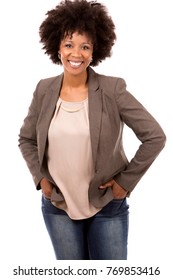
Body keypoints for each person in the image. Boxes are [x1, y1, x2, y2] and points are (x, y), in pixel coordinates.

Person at [18, 0, 166, 260]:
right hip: (58, 206)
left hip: (107, 205)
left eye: (84, 46)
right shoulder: (44, 89)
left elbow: (155, 136)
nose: (76, 54)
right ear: (57, 48)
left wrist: (124, 183)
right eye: (68, 45)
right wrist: (41, 179)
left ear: (95, 49)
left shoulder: (112, 89)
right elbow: (26, 139)